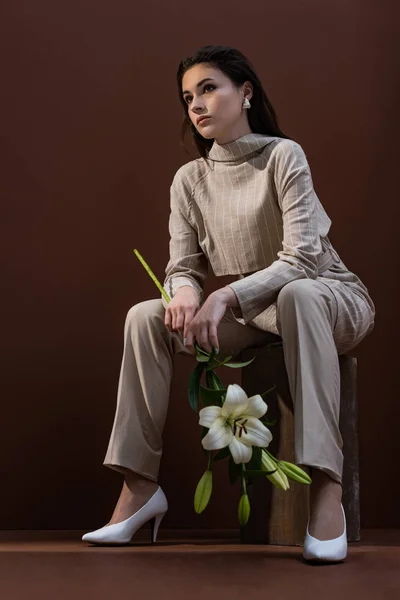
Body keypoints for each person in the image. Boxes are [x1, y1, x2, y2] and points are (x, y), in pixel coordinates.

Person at [82, 45, 375, 562]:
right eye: (187, 97)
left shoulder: (283, 156)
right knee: (145, 316)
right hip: (260, 316)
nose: (197, 104)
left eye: (209, 88)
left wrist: (224, 295)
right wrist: (187, 292)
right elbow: (182, 266)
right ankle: (139, 485)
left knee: (299, 292)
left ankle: (327, 488)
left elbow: (304, 259)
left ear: (245, 93)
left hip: (329, 299)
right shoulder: (189, 180)